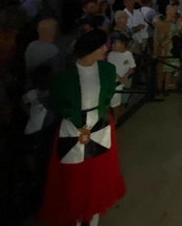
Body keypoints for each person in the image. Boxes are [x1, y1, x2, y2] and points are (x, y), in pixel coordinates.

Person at [38, 30, 125, 225]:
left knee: (98, 173)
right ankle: (77, 215)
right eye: (102, 46)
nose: (106, 49)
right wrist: (78, 122)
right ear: (90, 50)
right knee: (75, 176)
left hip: (100, 125)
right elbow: (58, 103)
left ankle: (93, 215)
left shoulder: (107, 70)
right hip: (73, 129)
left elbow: (108, 94)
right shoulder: (64, 78)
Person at [107, 35, 136, 123]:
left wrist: (126, 76)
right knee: (114, 101)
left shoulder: (128, 54)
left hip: (122, 81)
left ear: (123, 44)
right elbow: (110, 68)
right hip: (114, 81)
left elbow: (132, 67)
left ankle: (116, 118)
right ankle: (114, 119)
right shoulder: (111, 54)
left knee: (120, 100)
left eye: (115, 43)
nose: (113, 45)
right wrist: (119, 77)